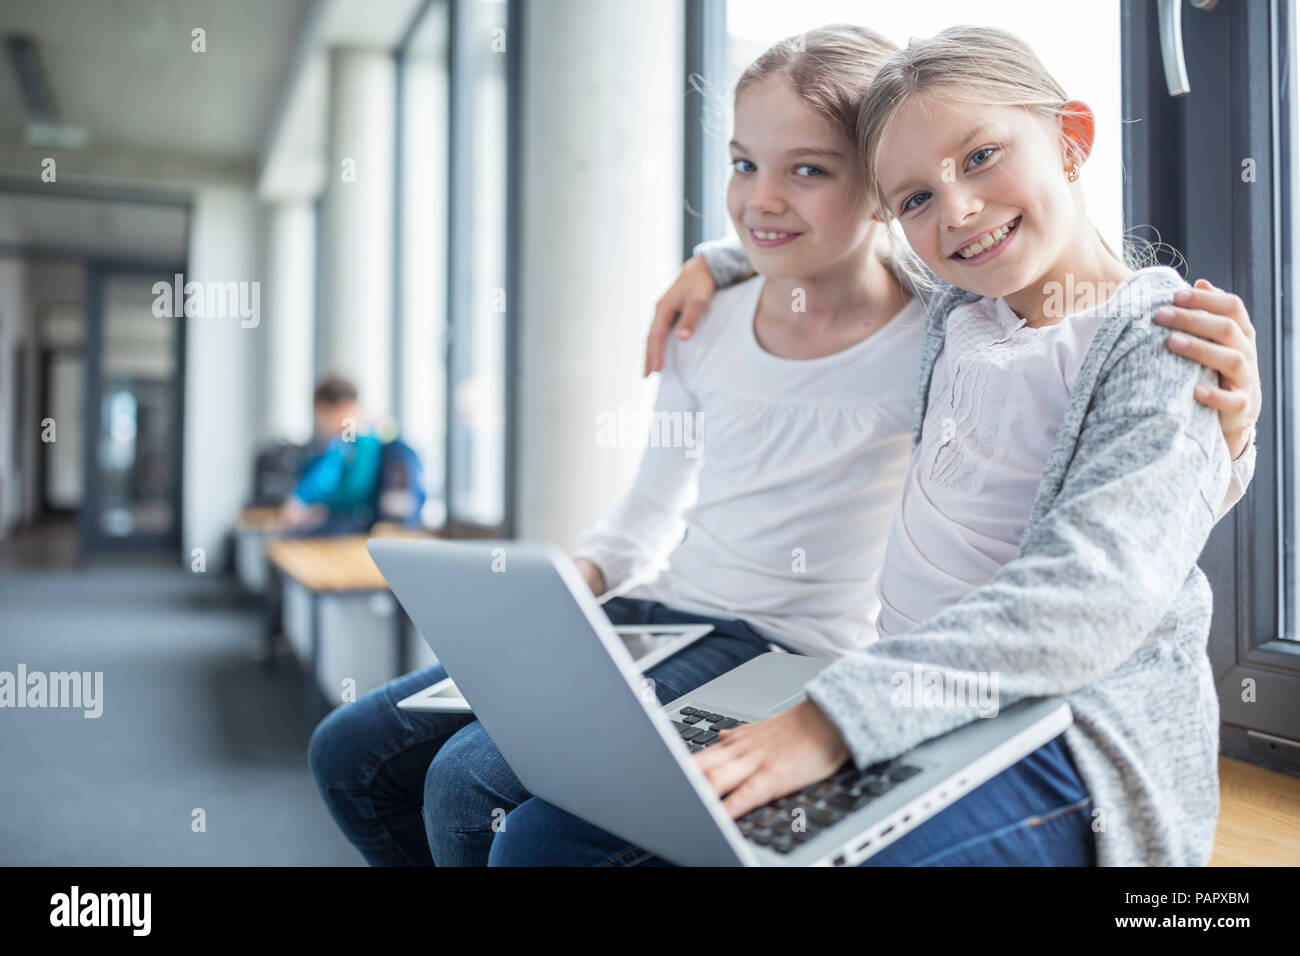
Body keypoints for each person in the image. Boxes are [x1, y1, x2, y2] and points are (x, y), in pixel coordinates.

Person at [308, 25, 1259, 867]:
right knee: (533, 829)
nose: (958, 211)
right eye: (918, 196)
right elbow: (835, 258)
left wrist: (1232, 440)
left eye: (982, 158)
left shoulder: (1154, 339)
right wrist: (717, 261)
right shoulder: (962, 315)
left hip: (1057, 727)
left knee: (501, 805)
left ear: (1074, 139)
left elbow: (1097, 582)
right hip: (903, 693)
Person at [280, 374, 385, 536]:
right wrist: (299, 502)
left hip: (351, 521)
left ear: (343, 406)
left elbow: (356, 490)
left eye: (324, 415)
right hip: (334, 517)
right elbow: (322, 477)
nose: (322, 424)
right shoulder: (343, 440)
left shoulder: (364, 439)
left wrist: (320, 507)